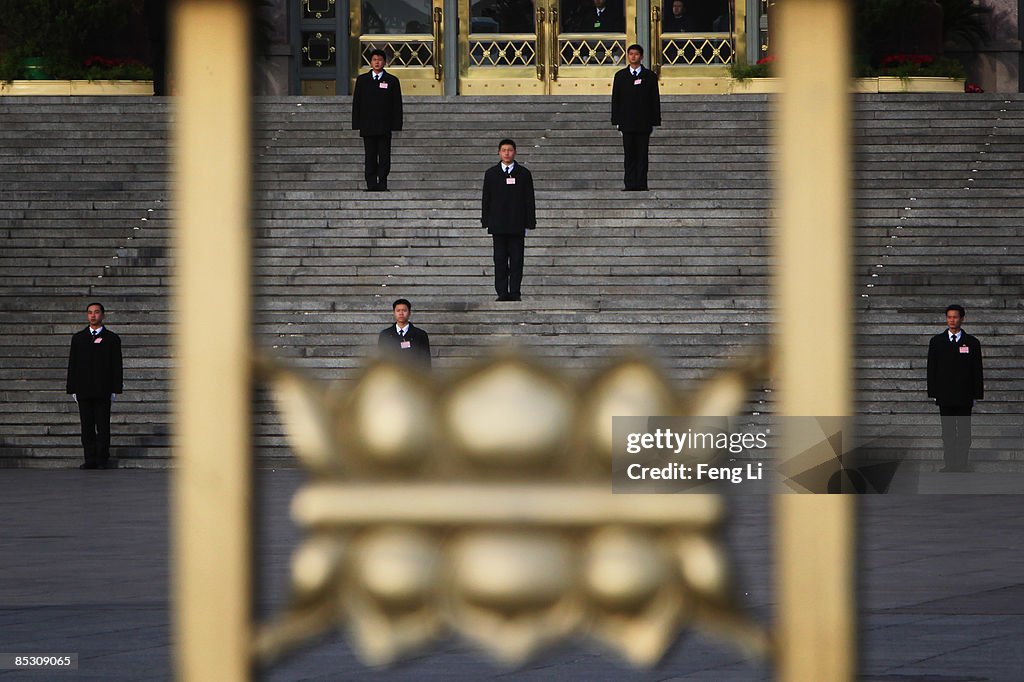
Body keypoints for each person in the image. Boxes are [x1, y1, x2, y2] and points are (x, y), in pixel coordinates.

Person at [66, 302, 123, 469]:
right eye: (90, 312)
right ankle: (89, 458)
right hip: (83, 390)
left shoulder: (112, 338)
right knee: (87, 427)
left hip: (103, 390)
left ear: (103, 315)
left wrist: (115, 389)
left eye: (96, 312)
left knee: (103, 426)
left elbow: (116, 366)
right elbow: (73, 364)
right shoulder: (78, 338)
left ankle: (102, 458)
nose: (93, 315)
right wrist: (72, 388)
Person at [927, 304, 983, 472]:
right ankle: (950, 464)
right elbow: (932, 368)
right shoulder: (936, 341)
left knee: (965, 433)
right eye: (949, 317)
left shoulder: (972, 342)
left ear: (962, 319)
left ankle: (962, 464)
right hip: (945, 396)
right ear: (946, 319)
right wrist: (933, 393)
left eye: (955, 317)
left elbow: (977, 370)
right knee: (948, 432)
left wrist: (977, 394)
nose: (952, 320)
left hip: (965, 396)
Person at [481, 138, 536, 301]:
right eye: (504, 150)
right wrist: (486, 220)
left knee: (517, 260)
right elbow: (486, 199)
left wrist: (530, 222)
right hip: (498, 224)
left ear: (515, 152)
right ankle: (502, 292)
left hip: (517, 224)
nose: (507, 153)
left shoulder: (524, 173)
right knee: (500, 260)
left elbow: (529, 199)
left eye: (510, 150)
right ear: (499, 152)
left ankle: (515, 292)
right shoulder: (491, 173)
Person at [611, 44, 661, 191]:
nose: (633, 57)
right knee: (629, 155)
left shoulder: (649, 76)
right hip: (627, 123)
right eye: (631, 54)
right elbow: (616, 100)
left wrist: (655, 121)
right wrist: (617, 121)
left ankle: (641, 183)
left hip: (643, 123)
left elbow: (654, 100)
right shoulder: (620, 76)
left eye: (636, 54)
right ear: (627, 55)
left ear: (642, 56)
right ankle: (629, 183)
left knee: (642, 155)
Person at [352, 49, 403, 191]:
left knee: (384, 156)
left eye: (380, 60)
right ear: (370, 62)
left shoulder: (392, 81)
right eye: (374, 59)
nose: (377, 62)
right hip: (368, 125)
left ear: (384, 62)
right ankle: (371, 183)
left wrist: (396, 124)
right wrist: (357, 123)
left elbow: (396, 104)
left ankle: (382, 182)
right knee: (370, 156)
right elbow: (357, 103)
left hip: (384, 125)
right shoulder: (362, 80)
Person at [378, 298, 431, 368]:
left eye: (404, 310)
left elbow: (425, 361)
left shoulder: (420, 335)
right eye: (398, 310)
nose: (401, 313)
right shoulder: (385, 335)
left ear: (409, 312)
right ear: (394, 313)